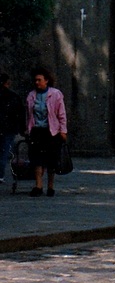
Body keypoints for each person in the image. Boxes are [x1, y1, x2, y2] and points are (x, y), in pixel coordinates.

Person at [26, 67, 67, 197]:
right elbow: (29, 114)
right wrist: (28, 129)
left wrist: (63, 130)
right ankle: (38, 186)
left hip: (51, 131)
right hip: (37, 130)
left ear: (46, 81)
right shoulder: (31, 96)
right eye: (35, 80)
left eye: (39, 80)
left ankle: (50, 186)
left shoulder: (55, 94)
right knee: (37, 159)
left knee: (51, 160)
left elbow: (61, 114)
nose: (37, 82)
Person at [0, 73, 25, 185]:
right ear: (7, 83)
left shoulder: (13, 97)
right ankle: (0, 175)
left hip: (6, 127)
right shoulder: (14, 97)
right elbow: (20, 114)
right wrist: (22, 129)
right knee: (4, 152)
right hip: (8, 128)